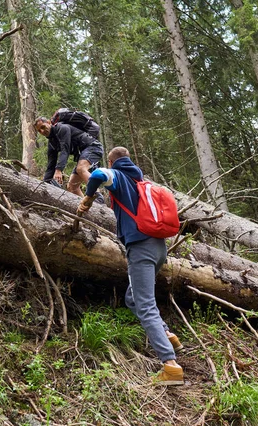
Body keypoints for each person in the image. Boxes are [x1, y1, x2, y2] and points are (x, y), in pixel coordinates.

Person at [77, 146, 184, 385]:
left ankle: (170, 365)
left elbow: (96, 176)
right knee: (133, 297)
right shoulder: (140, 181)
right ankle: (168, 335)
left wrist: (88, 196)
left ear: (112, 161)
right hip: (158, 248)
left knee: (144, 305)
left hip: (141, 248)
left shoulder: (119, 176)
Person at [34, 117, 104, 203]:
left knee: (81, 168)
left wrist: (59, 170)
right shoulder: (52, 143)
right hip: (83, 154)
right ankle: (87, 208)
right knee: (72, 186)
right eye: (39, 130)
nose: (42, 131)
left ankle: (99, 199)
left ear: (49, 123)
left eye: (43, 127)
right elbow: (50, 165)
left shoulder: (62, 128)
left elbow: (65, 150)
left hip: (93, 147)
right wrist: (44, 184)